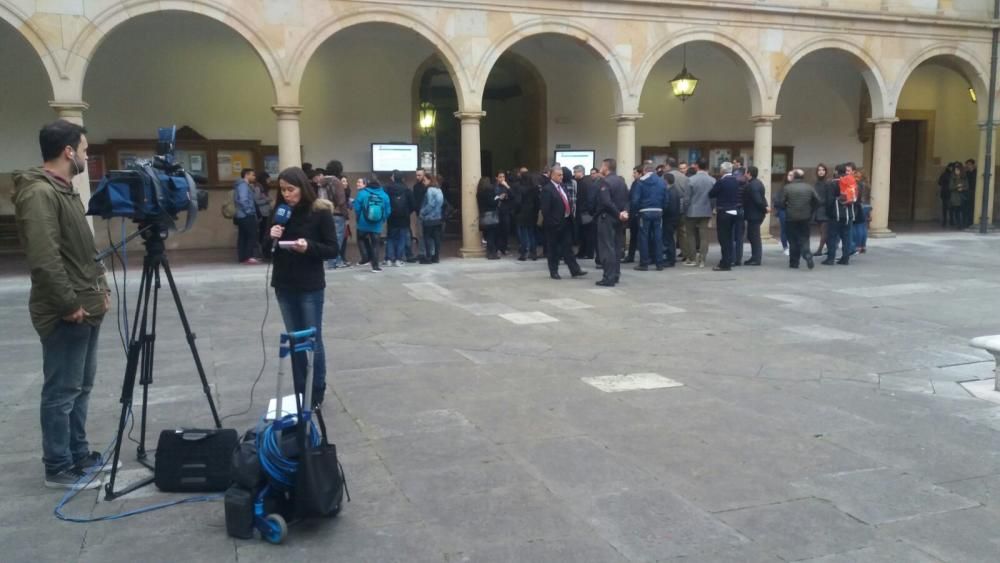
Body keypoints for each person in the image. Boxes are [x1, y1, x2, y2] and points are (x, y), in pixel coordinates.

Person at [14, 120, 113, 489]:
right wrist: (69, 303)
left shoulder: (64, 189)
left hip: (87, 304)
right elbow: (44, 258)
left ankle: (78, 452)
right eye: (85, 149)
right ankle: (57, 464)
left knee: (81, 386)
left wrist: (100, 287)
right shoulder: (40, 193)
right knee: (62, 390)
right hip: (67, 310)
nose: (87, 155)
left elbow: (82, 252)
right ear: (68, 151)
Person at [269, 167, 339, 406]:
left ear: (302, 188)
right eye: (282, 190)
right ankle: (301, 391)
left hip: (310, 285)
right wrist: (271, 236)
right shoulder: (279, 213)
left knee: (312, 339)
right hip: (284, 284)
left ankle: (316, 390)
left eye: (291, 189)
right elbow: (264, 250)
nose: (287, 194)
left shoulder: (320, 213)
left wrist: (308, 246)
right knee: (294, 340)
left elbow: (332, 250)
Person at [540, 166, 587, 280]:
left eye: (562, 175)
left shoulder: (563, 187)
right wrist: (553, 222)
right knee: (553, 249)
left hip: (566, 222)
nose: (562, 177)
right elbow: (545, 210)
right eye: (559, 175)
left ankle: (575, 270)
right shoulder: (547, 189)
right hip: (554, 224)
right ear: (552, 175)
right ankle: (554, 271)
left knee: (567, 247)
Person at [595, 158, 629, 287]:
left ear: (606, 167)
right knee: (616, 247)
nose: (600, 168)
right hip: (619, 219)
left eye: (602, 166)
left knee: (607, 248)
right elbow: (627, 199)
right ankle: (615, 275)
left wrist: (618, 213)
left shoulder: (605, 182)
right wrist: (625, 212)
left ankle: (608, 277)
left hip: (607, 218)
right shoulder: (621, 181)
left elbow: (606, 202)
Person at [631, 163, 668, 271]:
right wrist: (662, 209)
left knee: (644, 237)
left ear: (644, 170)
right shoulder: (662, 181)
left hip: (644, 211)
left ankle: (644, 263)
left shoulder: (640, 182)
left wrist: (636, 211)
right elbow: (666, 198)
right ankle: (659, 263)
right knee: (658, 237)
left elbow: (635, 200)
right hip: (658, 211)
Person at [782, 169, 820, 269]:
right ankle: (807, 254)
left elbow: (780, 202)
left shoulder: (787, 188)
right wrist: (811, 210)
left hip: (791, 217)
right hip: (805, 217)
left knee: (792, 240)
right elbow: (817, 201)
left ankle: (794, 262)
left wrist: (786, 208)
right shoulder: (809, 187)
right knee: (804, 238)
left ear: (794, 177)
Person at [353, 176, 391, 272]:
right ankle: (375, 266)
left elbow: (357, 208)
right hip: (377, 225)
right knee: (375, 244)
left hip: (363, 223)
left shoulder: (362, 193)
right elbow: (388, 211)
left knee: (361, 239)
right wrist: (382, 219)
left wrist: (359, 218)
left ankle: (365, 257)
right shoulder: (384, 195)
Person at [709, 162, 741, 271]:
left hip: (724, 211)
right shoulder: (736, 181)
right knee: (730, 237)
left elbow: (711, 194)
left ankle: (725, 263)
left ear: (722, 170)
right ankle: (730, 259)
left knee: (724, 239)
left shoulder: (722, 182)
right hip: (734, 210)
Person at [823, 164, 856, 266]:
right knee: (847, 237)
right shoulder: (851, 182)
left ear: (836, 171)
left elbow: (829, 200)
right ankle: (845, 258)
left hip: (835, 214)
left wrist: (828, 212)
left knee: (832, 237)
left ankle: (830, 258)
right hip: (848, 214)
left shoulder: (831, 183)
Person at [683, 158, 714, 268]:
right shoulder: (712, 180)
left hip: (692, 210)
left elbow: (686, 198)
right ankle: (702, 260)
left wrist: (684, 210)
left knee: (690, 235)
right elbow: (713, 198)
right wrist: (711, 209)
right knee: (704, 236)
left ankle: (692, 258)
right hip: (706, 210)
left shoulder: (691, 180)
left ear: (697, 166)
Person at [323, 160, 350, 269]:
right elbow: (341, 201)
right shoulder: (337, 182)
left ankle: (337, 260)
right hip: (337, 213)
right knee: (337, 239)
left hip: (324, 212)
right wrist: (346, 214)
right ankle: (333, 261)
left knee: (328, 237)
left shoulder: (322, 181)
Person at [385, 170, 414, 267]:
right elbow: (413, 204)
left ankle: (389, 259)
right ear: (401, 178)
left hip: (391, 217)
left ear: (393, 177)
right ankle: (398, 259)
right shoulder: (406, 189)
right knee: (402, 238)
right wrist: (407, 212)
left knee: (390, 238)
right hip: (404, 218)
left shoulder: (387, 188)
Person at [664, 158, 689, 262]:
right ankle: (686, 253)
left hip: (671, 207)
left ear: (668, 166)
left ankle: (671, 254)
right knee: (683, 232)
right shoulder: (684, 177)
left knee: (670, 233)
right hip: (683, 207)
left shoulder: (666, 177)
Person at [234, 168, 260, 264]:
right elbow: (243, 199)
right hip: (246, 215)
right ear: (246, 175)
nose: (254, 177)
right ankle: (248, 256)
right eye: (252, 175)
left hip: (241, 215)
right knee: (251, 235)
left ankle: (243, 257)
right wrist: (249, 211)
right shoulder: (243, 185)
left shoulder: (244, 185)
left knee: (243, 236)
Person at [742, 166, 768, 265]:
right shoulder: (757, 183)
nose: (744, 174)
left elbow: (758, 200)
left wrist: (764, 208)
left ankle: (756, 258)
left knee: (754, 237)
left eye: (746, 173)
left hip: (754, 215)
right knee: (752, 236)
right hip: (755, 214)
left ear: (749, 174)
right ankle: (754, 257)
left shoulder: (753, 185)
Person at [512, 167, 539, 261]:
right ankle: (534, 253)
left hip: (522, 213)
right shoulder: (534, 187)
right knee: (532, 233)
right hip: (532, 212)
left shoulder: (519, 187)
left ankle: (524, 253)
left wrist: (516, 211)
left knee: (523, 234)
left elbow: (518, 202)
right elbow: (537, 201)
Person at [419, 175, 445, 263]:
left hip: (429, 218)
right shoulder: (439, 190)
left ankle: (428, 257)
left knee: (427, 237)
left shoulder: (430, 190)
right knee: (436, 238)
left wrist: (422, 212)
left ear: (430, 180)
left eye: (424, 180)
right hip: (438, 217)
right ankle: (436, 257)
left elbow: (430, 204)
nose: (423, 182)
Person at [574, 165, 598, 260]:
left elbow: (584, 198)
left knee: (587, 233)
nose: (574, 174)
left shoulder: (583, 183)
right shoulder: (585, 182)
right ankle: (583, 252)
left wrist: (585, 209)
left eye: (575, 172)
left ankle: (588, 252)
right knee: (584, 233)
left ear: (581, 172)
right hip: (584, 210)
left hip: (584, 211)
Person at [476, 177, 500, 259]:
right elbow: (492, 203)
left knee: (487, 235)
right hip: (491, 215)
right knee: (492, 235)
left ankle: (489, 252)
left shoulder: (479, 193)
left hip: (483, 215)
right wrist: (497, 198)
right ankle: (492, 253)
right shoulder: (489, 191)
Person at [623, 166, 642, 263]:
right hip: (637, 213)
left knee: (635, 236)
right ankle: (631, 255)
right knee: (635, 236)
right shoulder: (637, 183)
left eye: (635, 173)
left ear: (640, 174)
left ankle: (631, 256)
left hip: (636, 214)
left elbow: (634, 200)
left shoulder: (638, 184)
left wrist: (631, 212)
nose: (633, 174)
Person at [253, 170, 273, 260]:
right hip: (262, 213)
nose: (270, 181)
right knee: (262, 232)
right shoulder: (258, 188)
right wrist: (267, 200)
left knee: (264, 231)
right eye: (268, 179)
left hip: (266, 212)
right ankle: (262, 252)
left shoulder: (263, 188)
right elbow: (256, 201)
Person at [813, 164, 832, 256]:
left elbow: (828, 197)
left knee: (824, 231)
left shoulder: (828, 182)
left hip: (825, 209)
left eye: (823, 170)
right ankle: (829, 249)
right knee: (822, 231)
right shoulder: (817, 183)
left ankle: (820, 250)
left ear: (826, 171)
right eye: (819, 170)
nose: (821, 171)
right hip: (818, 209)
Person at [495, 171, 514, 255]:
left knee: (506, 230)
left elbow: (513, 196)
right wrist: (499, 197)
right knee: (498, 230)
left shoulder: (507, 186)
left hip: (506, 211)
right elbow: (492, 197)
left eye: (503, 177)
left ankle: (504, 248)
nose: (502, 178)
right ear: (497, 178)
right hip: (497, 211)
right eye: (500, 177)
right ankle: (498, 248)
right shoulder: (495, 187)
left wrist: (507, 186)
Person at [412, 168, 429, 262]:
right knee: (421, 235)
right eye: (417, 175)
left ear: (424, 175)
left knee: (428, 235)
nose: (417, 177)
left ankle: (429, 253)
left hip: (428, 215)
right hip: (419, 214)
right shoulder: (416, 187)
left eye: (419, 175)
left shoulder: (428, 187)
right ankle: (422, 253)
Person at [948, 162, 967, 229]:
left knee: (963, 211)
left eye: (958, 170)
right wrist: (957, 187)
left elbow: (967, 186)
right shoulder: (952, 177)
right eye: (955, 170)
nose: (956, 171)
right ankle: (959, 224)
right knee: (956, 211)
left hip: (962, 197)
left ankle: (963, 224)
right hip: (955, 197)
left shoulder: (964, 177)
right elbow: (950, 187)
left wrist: (962, 188)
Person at [938, 162, 954, 228]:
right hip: (945, 193)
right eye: (950, 167)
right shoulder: (944, 174)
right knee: (945, 207)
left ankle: (951, 220)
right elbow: (939, 182)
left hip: (951, 193)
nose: (951, 168)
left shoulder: (953, 174)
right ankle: (945, 220)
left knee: (951, 208)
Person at [965, 158, 978, 227]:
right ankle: (968, 222)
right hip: (968, 192)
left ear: (973, 165)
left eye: (969, 164)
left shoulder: (977, 172)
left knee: (973, 207)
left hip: (974, 192)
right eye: (967, 164)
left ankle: (973, 221)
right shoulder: (966, 173)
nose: (968, 166)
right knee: (968, 207)